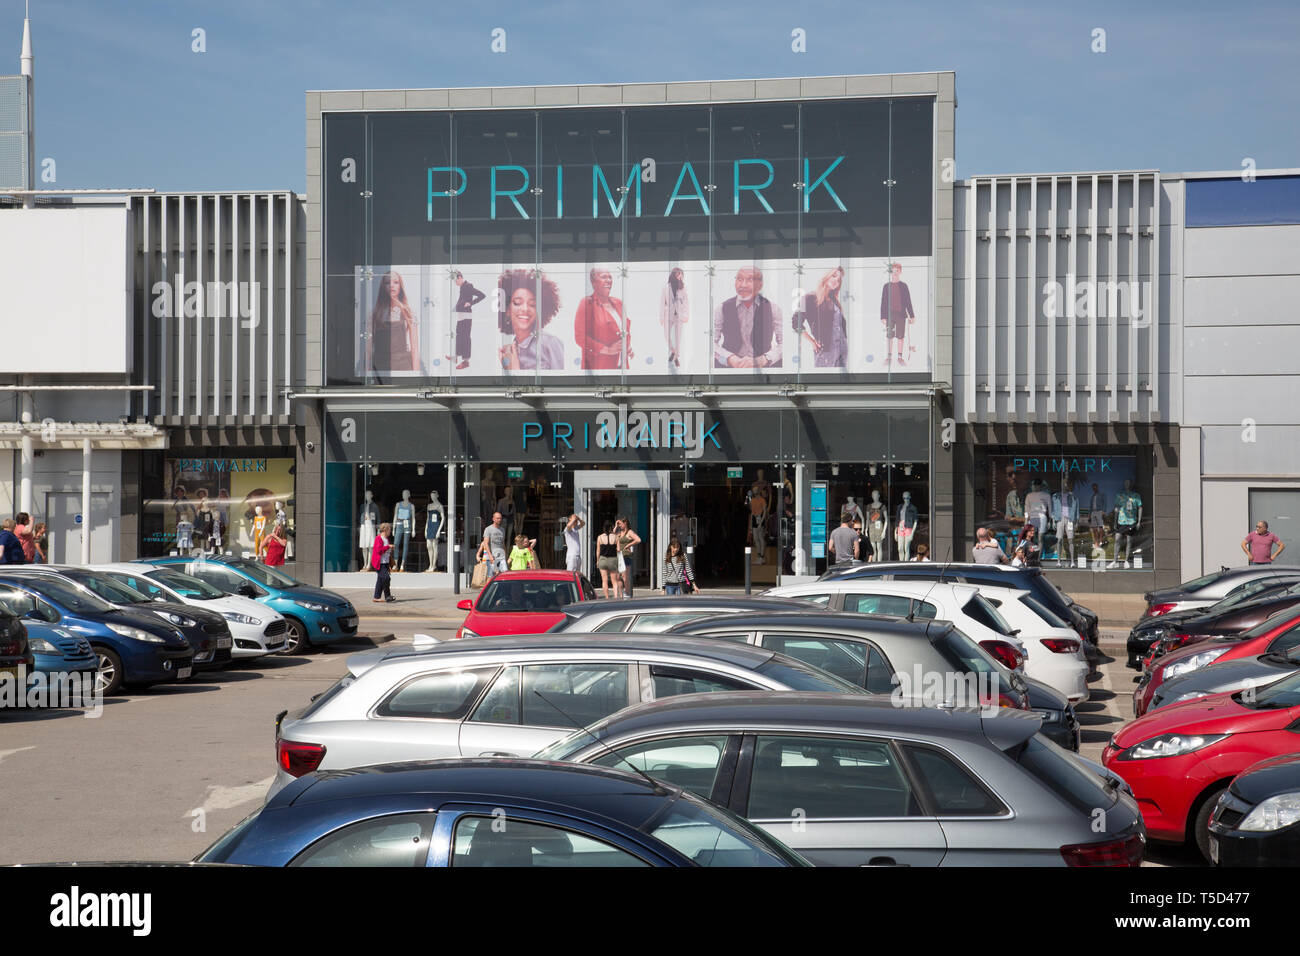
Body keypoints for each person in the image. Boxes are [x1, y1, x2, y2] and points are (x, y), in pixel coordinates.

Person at [715, 267, 783, 368]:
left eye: (750, 280)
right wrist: (729, 358)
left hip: (762, 367)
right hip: (729, 366)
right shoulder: (722, 308)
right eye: (739, 279)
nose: (743, 285)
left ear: (760, 285)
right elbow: (710, 343)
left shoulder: (773, 309)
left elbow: (785, 344)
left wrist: (765, 359)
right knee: (717, 360)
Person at [498, 268, 565, 371]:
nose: (525, 309)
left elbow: (563, 383)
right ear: (507, 310)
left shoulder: (550, 343)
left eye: (532, 305)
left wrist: (515, 371)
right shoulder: (508, 351)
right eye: (517, 302)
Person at [574, 266, 632, 370]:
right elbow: (580, 337)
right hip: (599, 368)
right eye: (604, 277)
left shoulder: (618, 303)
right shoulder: (587, 303)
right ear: (593, 282)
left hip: (621, 368)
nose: (609, 280)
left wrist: (627, 347)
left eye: (610, 277)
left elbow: (625, 331)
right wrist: (606, 349)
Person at [366, 270, 420, 375]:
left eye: (396, 282)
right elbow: (368, 348)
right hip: (380, 366)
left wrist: (416, 375)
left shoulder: (408, 312)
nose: (391, 286)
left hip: (402, 366)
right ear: (383, 287)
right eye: (387, 283)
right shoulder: (375, 314)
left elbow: (414, 348)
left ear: (400, 286)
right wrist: (366, 373)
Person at [793, 266, 847, 368]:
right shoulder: (810, 298)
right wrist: (812, 341)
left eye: (839, 280)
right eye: (834, 276)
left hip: (842, 350)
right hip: (826, 350)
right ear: (826, 277)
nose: (836, 280)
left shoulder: (835, 301)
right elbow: (795, 322)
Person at [447, 271, 485, 370]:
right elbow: (461, 299)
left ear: (460, 278)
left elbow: (482, 295)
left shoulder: (468, 286)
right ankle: (456, 357)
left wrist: (471, 303)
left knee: (465, 338)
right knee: (459, 336)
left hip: (466, 316)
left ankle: (466, 361)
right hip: (461, 315)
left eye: (455, 280)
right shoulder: (463, 287)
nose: (455, 283)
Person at [880, 261, 915, 367]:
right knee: (890, 336)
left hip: (901, 314)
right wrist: (883, 316)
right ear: (890, 272)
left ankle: (900, 357)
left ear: (900, 272)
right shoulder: (886, 286)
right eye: (893, 271)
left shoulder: (904, 286)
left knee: (900, 336)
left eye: (897, 271)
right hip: (889, 315)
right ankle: (889, 356)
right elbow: (883, 301)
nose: (894, 273)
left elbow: (908, 301)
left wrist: (912, 315)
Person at [659, 267, 689, 368]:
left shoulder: (683, 288)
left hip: (679, 316)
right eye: (678, 274)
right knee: (666, 335)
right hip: (668, 315)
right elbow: (662, 303)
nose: (680, 276)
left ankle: (676, 357)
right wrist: (661, 317)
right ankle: (673, 350)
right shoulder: (666, 287)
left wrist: (686, 315)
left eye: (681, 275)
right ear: (673, 275)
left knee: (678, 338)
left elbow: (685, 302)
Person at [615, 516, 642, 599]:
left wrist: (629, 545)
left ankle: (627, 593)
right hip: (619, 556)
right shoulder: (620, 532)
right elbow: (613, 535)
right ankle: (621, 594)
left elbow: (638, 540)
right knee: (618, 576)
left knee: (625, 577)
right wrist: (616, 526)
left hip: (626, 556)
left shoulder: (629, 532)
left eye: (620, 524)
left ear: (625, 523)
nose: (619, 526)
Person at [477, 511, 508, 577]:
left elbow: (503, 543)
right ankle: (490, 587)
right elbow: (486, 543)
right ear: (493, 519)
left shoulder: (502, 530)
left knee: (505, 573)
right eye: (497, 518)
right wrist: (490, 555)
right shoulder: (488, 529)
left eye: (500, 518)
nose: (499, 520)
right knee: (491, 576)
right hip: (492, 557)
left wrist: (505, 554)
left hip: (501, 556)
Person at [595, 522, 621, 598]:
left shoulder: (600, 537)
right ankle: (616, 597)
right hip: (613, 559)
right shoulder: (616, 537)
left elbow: (598, 551)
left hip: (603, 559)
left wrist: (597, 561)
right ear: (611, 528)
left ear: (603, 528)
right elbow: (619, 550)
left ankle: (607, 597)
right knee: (614, 581)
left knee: (604, 580)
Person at [371, 522, 395, 603]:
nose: (390, 532)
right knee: (386, 578)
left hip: (385, 562)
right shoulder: (378, 538)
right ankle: (387, 596)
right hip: (379, 563)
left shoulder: (386, 539)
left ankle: (376, 597)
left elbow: (385, 551)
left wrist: (389, 549)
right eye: (389, 530)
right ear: (385, 530)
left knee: (380, 580)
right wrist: (388, 547)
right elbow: (378, 550)